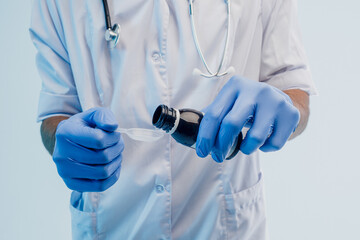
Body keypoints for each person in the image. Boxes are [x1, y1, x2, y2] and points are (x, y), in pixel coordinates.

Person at [30, 0, 317, 239]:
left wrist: (282, 107)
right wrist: (65, 142)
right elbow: (57, 112)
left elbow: (293, 90)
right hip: (115, 225)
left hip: (224, 228)